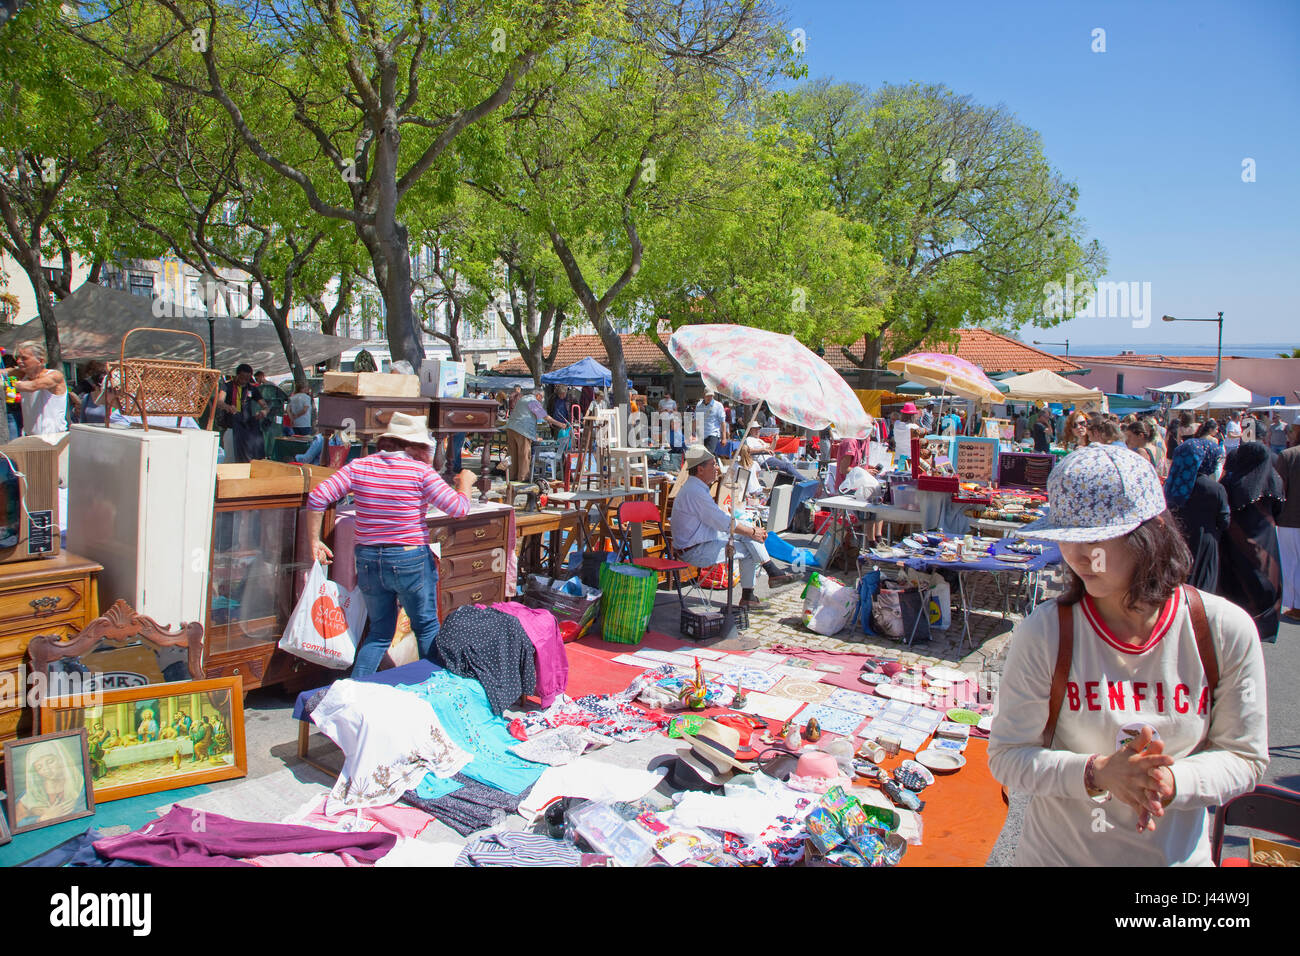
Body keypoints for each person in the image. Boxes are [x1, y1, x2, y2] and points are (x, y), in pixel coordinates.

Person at [988, 443, 1268, 866]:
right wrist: (1097, 773)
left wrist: (1169, 781)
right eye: (1067, 538)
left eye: (1097, 537)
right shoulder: (1046, 632)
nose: (1080, 556)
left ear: (1150, 532)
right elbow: (1008, 756)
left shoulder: (1223, 630)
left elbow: (1245, 757)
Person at [307, 412, 475, 678]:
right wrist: (465, 484)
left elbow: (317, 497)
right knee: (427, 627)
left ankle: (356, 691)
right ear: (413, 447)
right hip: (409, 558)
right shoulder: (420, 471)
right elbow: (459, 509)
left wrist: (314, 541)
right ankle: (432, 689)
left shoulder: (359, 467)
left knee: (379, 632)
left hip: (369, 559)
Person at [671, 445, 798, 607]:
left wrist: (751, 531)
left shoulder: (696, 488)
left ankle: (762, 582)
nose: (717, 468)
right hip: (694, 550)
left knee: (747, 533)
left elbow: (717, 519)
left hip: (700, 542)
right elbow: (721, 522)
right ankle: (761, 582)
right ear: (700, 469)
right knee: (750, 546)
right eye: (713, 464)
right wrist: (752, 532)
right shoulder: (695, 491)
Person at [1218, 441, 1285, 642]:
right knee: (1268, 579)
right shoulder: (1273, 480)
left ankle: (1238, 627)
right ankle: (1265, 627)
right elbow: (1279, 510)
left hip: (1235, 538)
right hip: (1267, 539)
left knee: (1238, 580)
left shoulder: (1230, 482)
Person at [1165, 438, 1229, 592]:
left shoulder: (1171, 485)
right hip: (1204, 542)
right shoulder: (1214, 488)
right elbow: (1224, 520)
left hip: (1177, 541)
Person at [14, 740, 86, 826]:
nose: (46, 769)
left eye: (50, 761)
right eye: (39, 767)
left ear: (62, 759)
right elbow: (18, 824)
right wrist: (44, 818)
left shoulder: (81, 785)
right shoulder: (30, 795)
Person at [504, 386, 566, 482]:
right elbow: (545, 416)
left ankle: (511, 476)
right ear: (538, 395)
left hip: (511, 427)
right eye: (542, 397)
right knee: (524, 453)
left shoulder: (523, 398)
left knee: (513, 453)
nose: (542, 400)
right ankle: (523, 476)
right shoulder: (533, 401)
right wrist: (559, 424)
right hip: (522, 430)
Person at [9, 344, 68, 436]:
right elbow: (5, 372)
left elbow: (33, 386)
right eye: (18, 358)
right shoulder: (22, 375)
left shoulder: (55, 375)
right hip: (30, 437)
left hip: (53, 438)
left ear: (40, 360)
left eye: (24, 358)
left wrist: (8, 384)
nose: (18, 361)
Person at [1274, 425, 1300, 621]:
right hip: (1290, 519)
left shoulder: (1288, 455)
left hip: (1290, 518)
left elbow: (1279, 490)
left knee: (1291, 565)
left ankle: (1296, 606)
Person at [218, 364, 268, 462]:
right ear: (236, 375)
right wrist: (228, 407)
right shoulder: (227, 386)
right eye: (242, 378)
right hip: (231, 427)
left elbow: (265, 405)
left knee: (247, 457)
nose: (244, 381)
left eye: (247, 378)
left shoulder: (252, 389)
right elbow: (219, 402)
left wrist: (264, 411)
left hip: (246, 430)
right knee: (231, 458)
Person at [695, 389, 727, 455]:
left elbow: (723, 422)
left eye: (711, 396)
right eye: (708, 395)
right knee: (704, 456)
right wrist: (692, 433)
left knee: (708, 455)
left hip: (713, 433)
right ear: (704, 395)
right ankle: (716, 463)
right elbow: (696, 420)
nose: (710, 397)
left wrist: (724, 438)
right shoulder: (699, 405)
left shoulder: (718, 405)